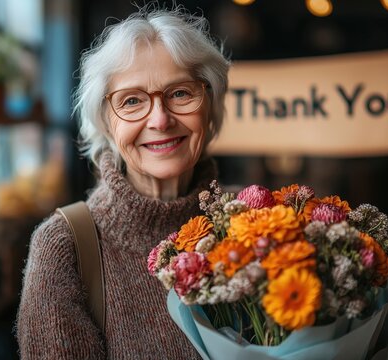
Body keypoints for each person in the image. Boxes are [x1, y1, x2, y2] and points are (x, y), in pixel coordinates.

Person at [16, 5, 230, 359]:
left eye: (180, 93)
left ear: (210, 103)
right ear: (105, 122)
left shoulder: (254, 226)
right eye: (131, 101)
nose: (160, 120)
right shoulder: (63, 248)